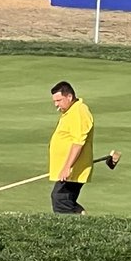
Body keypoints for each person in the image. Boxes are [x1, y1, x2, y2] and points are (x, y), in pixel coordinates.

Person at [48, 80, 95, 215]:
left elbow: (78, 142)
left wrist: (67, 167)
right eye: (54, 102)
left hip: (74, 168)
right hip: (70, 168)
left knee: (60, 199)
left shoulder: (79, 111)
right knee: (65, 200)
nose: (56, 105)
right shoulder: (71, 111)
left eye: (59, 100)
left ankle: (71, 232)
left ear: (69, 97)